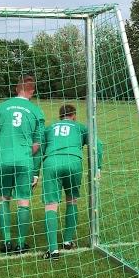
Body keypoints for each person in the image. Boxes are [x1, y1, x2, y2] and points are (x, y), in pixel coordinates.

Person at [0, 75, 45, 254]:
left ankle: (6, 242)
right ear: (32, 91)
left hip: (2, 160)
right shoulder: (36, 111)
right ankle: (21, 243)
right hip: (24, 160)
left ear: (16, 89)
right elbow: (37, 144)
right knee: (23, 201)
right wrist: (22, 154)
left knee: (3, 198)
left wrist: (6, 150)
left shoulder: (1, 108)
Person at [39, 104, 102, 260]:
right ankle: (67, 241)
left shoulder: (49, 128)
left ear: (60, 116)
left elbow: (39, 148)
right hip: (74, 162)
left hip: (52, 163)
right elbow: (98, 145)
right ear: (73, 115)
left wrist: (34, 172)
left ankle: (53, 250)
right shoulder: (80, 127)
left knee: (51, 204)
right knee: (72, 200)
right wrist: (97, 167)